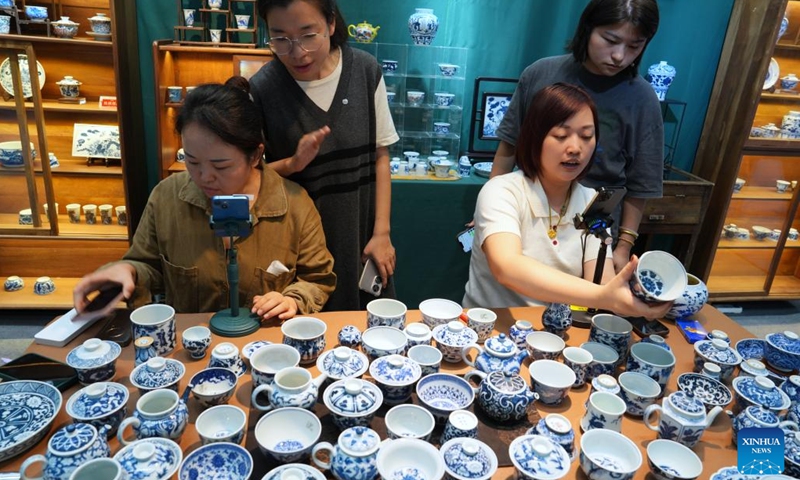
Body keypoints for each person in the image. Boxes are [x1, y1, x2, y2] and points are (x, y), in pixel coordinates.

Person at [73, 78, 336, 321]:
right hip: (189, 348)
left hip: (263, 346)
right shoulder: (166, 197)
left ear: (255, 156)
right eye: (192, 161)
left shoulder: (295, 204)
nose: (204, 177)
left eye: (221, 166)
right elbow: (147, 266)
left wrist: (292, 299)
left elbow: (317, 278)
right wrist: (127, 270)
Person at [464, 83, 669, 319]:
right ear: (535, 139)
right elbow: (507, 268)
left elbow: (600, 280)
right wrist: (605, 297)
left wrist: (627, 295)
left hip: (558, 329)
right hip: (491, 327)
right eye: (561, 136)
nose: (575, 148)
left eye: (586, 136)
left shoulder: (591, 200)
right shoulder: (501, 191)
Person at [491, 0, 663, 273]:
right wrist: (494, 208)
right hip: (530, 214)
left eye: (634, 46)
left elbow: (640, 183)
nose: (619, 56)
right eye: (610, 40)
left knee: (584, 306)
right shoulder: (541, 74)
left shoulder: (642, 98)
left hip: (593, 227)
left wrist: (623, 245)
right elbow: (508, 148)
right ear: (588, 28)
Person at [250, 0, 398, 311]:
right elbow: (250, 177)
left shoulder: (366, 71)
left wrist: (382, 233)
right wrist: (292, 164)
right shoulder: (263, 89)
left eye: (308, 35)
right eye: (280, 38)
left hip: (361, 239)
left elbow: (380, 155)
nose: (297, 52)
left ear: (331, 23)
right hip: (300, 252)